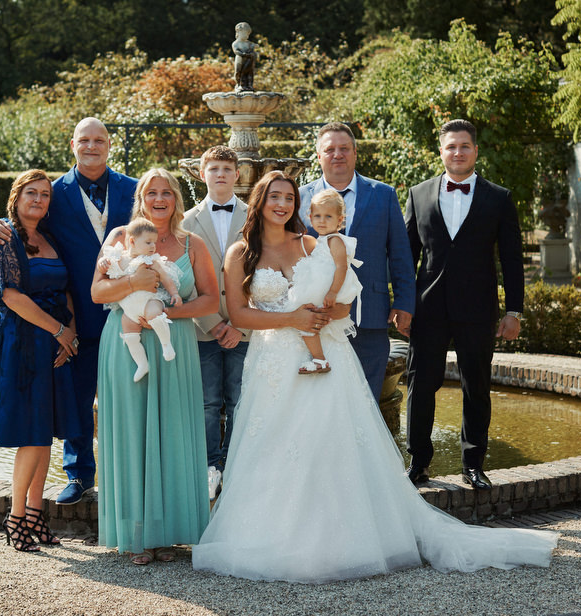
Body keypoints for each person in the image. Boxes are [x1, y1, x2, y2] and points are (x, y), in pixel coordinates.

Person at [192, 171, 558, 583]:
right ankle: (270, 535)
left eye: (289, 198)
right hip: (274, 362)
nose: (282, 204)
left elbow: (346, 302)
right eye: (274, 196)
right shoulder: (240, 252)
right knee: (274, 443)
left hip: (326, 357)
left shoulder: (311, 244)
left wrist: (329, 311)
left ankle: (343, 540)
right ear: (259, 202)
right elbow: (239, 314)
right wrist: (291, 318)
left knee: (329, 443)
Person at [0, 117, 140, 506]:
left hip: (130, 313)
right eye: (84, 140)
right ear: (73, 145)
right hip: (77, 317)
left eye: (99, 140)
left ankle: (132, 477)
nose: (92, 146)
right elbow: (20, 223)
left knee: (131, 401)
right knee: (77, 401)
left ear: (109, 144)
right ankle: (79, 475)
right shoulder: (53, 192)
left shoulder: (134, 189)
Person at [91, 168, 218, 566]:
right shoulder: (119, 237)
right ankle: (135, 535)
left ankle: (169, 533)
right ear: (141, 199)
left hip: (173, 345)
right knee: (131, 433)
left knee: (173, 433)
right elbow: (97, 292)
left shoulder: (192, 243)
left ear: (176, 198)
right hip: (124, 343)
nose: (159, 199)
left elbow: (210, 301)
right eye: (151, 193)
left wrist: (163, 312)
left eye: (166, 192)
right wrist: (133, 286)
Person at [402, 119, 525, 491]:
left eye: (464, 146)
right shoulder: (417, 194)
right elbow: (406, 258)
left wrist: (514, 311)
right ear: (441, 151)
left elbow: (512, 259)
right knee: (420, 384)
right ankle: (418, 462)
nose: (458, 152)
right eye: (451, 146)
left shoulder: (499, 198)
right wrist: (402, 304)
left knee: (477, 387)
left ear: (475, 150)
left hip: (478, 309)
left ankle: (473, 464)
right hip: (428, 308)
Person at [0, 170, 79, 551]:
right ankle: (16, 516)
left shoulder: (50, 239)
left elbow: (65, 289)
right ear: (16, 198)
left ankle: (36, 513)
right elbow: (10, 296)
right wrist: (59, 330)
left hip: (56, 344)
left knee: (46, 433)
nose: (38, 199)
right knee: (31, 434)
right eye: (31, 193)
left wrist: (70, 335)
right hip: (25, 344)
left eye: (45, 194)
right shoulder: (4, 237)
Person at [298, 122, 415, 397]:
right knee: (319, 398)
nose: (337, 154)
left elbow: (400, 253)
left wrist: (404, 302)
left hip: (370, 314)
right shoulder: (300, 198)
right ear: (319, 156)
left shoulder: (383, 194)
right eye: (330, 150)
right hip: (316, 315)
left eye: (344, 148)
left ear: (355, 153)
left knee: (366, 398)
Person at [181, 146, 249, 493]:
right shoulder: (185, 221)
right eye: (214, 168)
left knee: (240, 400)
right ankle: (211, 465)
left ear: (237, 174)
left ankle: (235, 463)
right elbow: (184, 278)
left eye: (226, 168)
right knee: (207, 403)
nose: (220, 174)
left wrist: (239, 324)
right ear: (201, 174)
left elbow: (263, 271)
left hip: (245, 329)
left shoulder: (255, 216)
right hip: (202, 329)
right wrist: (213, 323)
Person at [98, 217, 182, 381]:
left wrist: (174, 293)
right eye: (148, 242)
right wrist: (103, 262)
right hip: (129, 309)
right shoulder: (118, 258)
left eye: (154, 242)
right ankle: (142, 364)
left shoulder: (150, 260)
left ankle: (166, 345)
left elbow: (165, 277)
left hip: (148, 300)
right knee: (129, 334)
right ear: (132, 241)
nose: (153, 246)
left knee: (154, 314)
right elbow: (104, 268)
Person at [289, 189, 362, 374]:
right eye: (317, 216)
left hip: (327, 287)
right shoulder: (321, 240)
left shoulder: (335, 240)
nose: (322, 221)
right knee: (307, 320)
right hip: (320, 285)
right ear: (310, 217)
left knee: (307, 318)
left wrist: (333, 292)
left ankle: (319, 359)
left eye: (328, 216)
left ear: (339, 220)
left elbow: (341, 267)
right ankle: (318, 358)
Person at [232, 22, 256, 92]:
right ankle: (240, 84)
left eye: (248, 34)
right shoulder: (236, 43)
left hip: (249, 60)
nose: (247, 36)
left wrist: (254, 47)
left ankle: (249, 85)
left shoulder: (248, 43)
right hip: (240, 60)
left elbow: (253, 46)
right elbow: (236, 51)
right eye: (245, 33)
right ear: (239, 32)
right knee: (239, 72)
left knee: (249, 73)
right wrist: (243, 54)